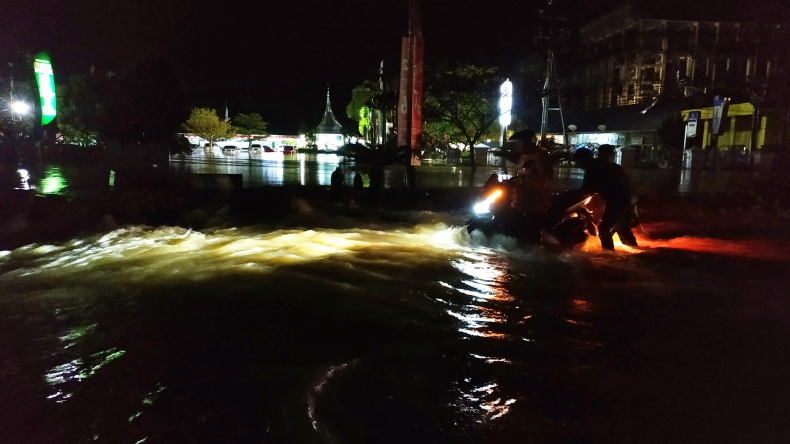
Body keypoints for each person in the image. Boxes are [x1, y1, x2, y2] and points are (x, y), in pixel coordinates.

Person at [573, 145, 638, 250]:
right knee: (622, 228)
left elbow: (586, 188)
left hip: (617, 201)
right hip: (625, 200)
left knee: (604, 230)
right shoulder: (611, 166)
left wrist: (571, 194)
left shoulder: (593, 167)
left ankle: (609, 256)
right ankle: (638, 253)